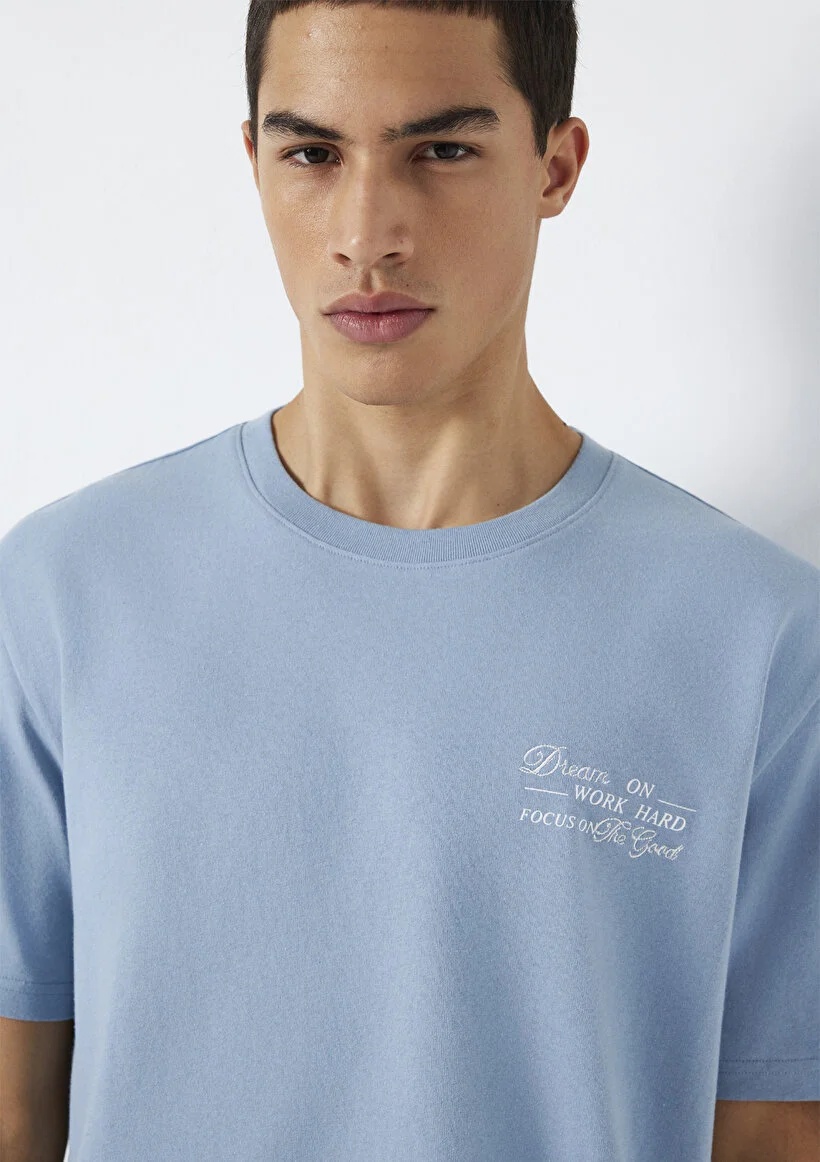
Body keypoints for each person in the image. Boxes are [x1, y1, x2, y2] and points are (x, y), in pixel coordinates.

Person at [1, 3, 817, 1160]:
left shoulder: (757, 635)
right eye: (312, 153)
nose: (366, 234)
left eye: (439, 150)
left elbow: (772, 1125)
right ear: (254, 161)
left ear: (555, 166)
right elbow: (14, 1107)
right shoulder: (62, 596)